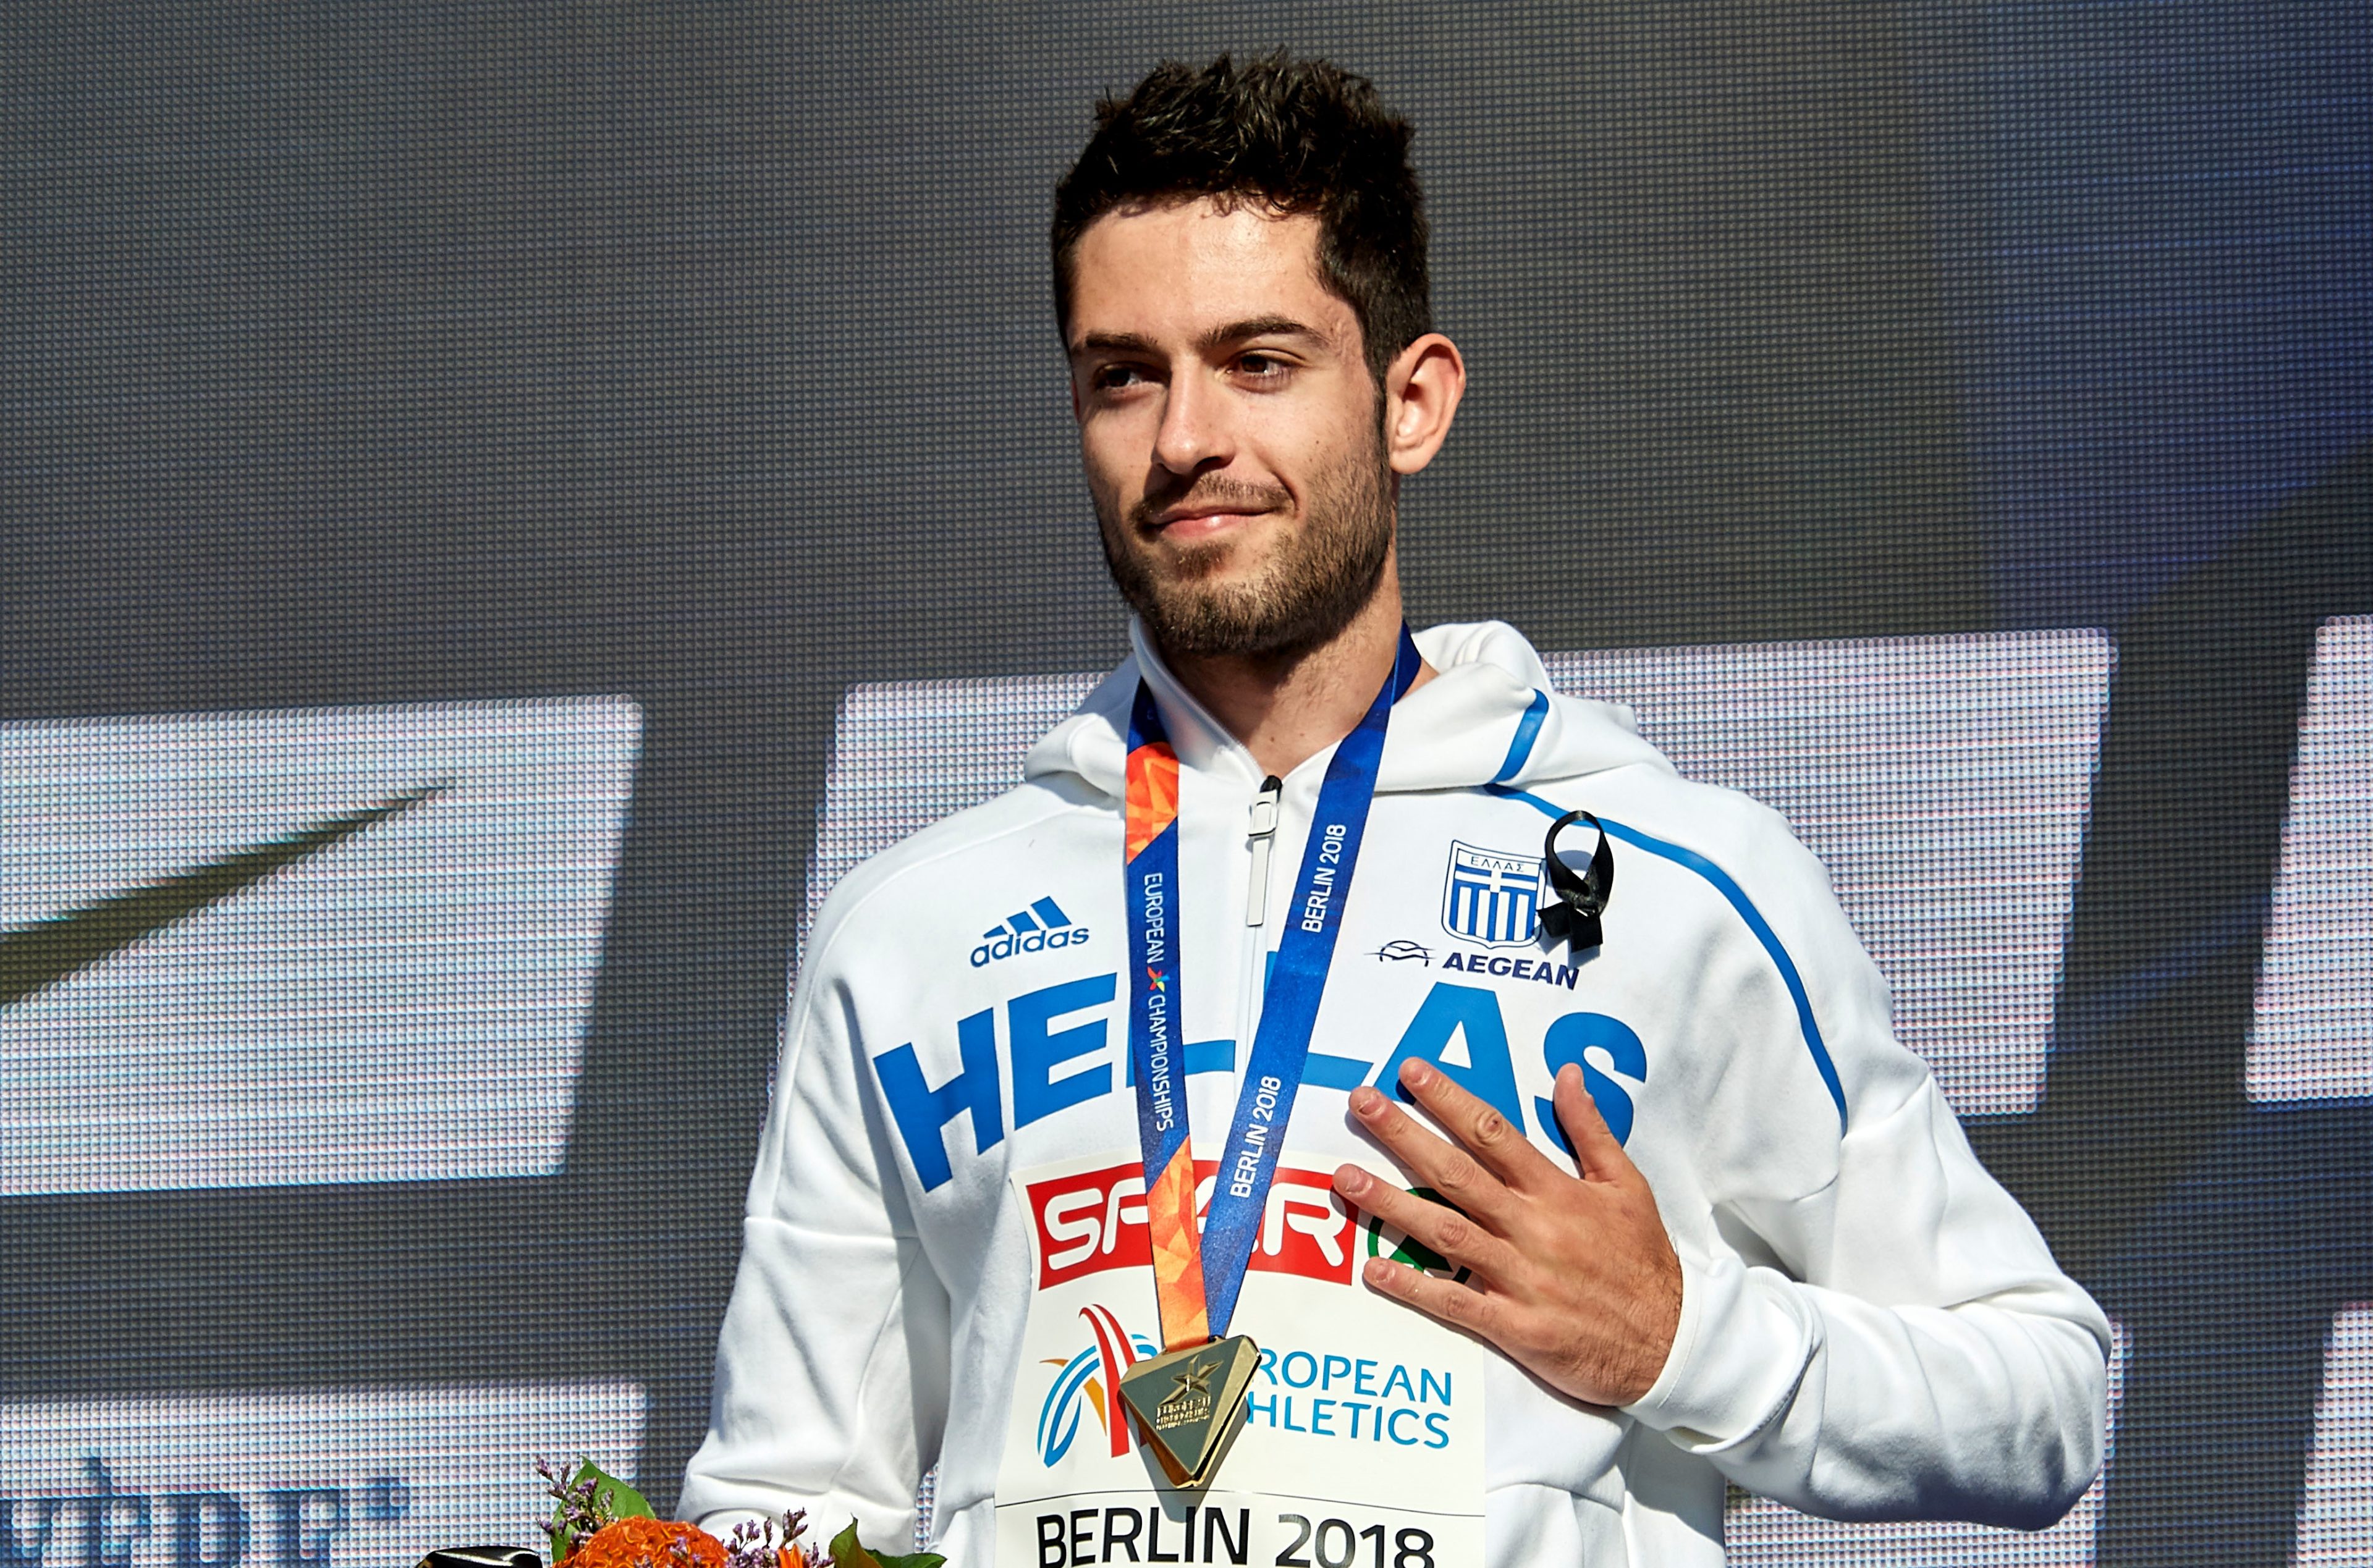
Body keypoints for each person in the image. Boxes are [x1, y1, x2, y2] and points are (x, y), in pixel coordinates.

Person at [680, 53, 2109, 1566]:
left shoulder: (1680, 880)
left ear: (1411, 402)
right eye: (1125, 376)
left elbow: (2042, 1394)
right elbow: (787, 1496)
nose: (1184, 439)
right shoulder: (909, 928)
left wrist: (1680, 1337)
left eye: (1259, 362)